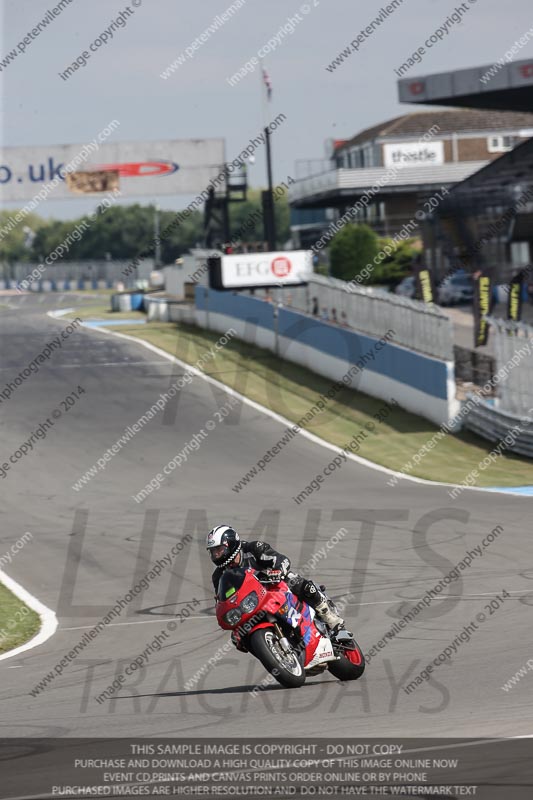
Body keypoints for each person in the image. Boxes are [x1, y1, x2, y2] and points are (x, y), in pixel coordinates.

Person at [206, 525, 351, 644]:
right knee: (240, 639)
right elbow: (223, 601)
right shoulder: (218, 576)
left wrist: (278, 571)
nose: (216, 555)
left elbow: (282, 560)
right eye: (213, 552)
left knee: (299, 583)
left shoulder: (253, 548)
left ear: (230, 545)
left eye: (219, 550)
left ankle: (333, 622)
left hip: (274, 585)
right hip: (253, 601)